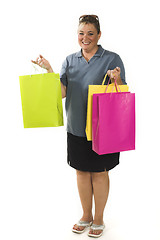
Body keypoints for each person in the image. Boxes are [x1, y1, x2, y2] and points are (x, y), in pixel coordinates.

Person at [32, 14, 126, 238]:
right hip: (76, 126)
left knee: (100, 173)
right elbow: (62, 93)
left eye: (90, 33)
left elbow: (121, 91)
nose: (86, 38)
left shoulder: (112, 58)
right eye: (81, 33)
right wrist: (49, 71)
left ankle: (99, 219)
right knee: (82, 172)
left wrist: (117, 79)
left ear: (99, 35)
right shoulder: (69, 60)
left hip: (103, 128)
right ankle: (86, 215)